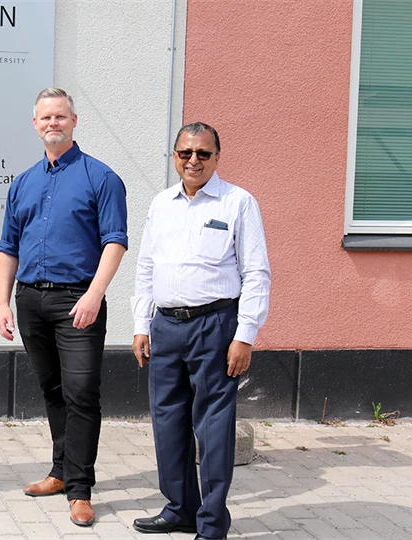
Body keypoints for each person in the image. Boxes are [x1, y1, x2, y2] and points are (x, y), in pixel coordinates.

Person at [130, 122, 271, 540]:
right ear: (174, 155)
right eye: (185, 152)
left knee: (212, 426)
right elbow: (145, 267)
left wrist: (245, 335)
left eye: (203, 154)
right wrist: (141, 324)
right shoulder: (161, 204)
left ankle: (212, 524)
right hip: (166, 326)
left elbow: (256, 273)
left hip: (215, 327)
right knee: (167, 420)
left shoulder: (238, 203)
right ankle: (179, 509)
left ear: (217, 158)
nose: (193, 160)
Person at [0, 88, 128, 527]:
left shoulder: (101, 178)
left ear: (75, 121)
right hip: (31, 299)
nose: (52, 123)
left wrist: (94, 294)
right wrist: (3, 302)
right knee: (53, 391)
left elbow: (115, 241)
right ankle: (60, 471)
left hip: (78, 303)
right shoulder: (23, 182)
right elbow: (7, 247)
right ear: (35, 125)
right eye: (45, 118)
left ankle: (81, 489)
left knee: (82, 394)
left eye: (60, 116)